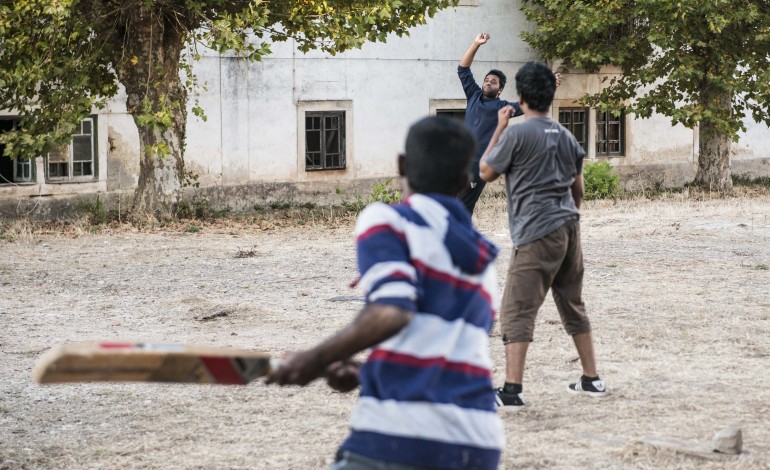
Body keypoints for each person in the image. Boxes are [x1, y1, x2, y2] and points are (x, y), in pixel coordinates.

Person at [267, 116, 505, 469]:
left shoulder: (390, 221)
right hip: (479, 442)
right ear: (464, 180)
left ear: (402, 165)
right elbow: (443, 352)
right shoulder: (483, 260)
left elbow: (392, 311)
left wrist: (312, 360)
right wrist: (369, 372)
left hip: (399, 438)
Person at [479, 61, 606, 408]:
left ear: (520, 97)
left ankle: (511, 391)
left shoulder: (517, 134)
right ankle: (591, 379)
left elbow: (486, 170)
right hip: (568, 229)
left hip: (535, 233)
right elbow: (577, 189)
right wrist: (569, 216)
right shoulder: (566, 135)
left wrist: (499, 126)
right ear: (551, 95)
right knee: (572, 303)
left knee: (516, 310)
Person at [457, 33, 560, 215]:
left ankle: (459, 238)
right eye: (487, 80)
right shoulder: (474, 95)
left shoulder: (503, 107)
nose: (488, 83)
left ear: (500, 89)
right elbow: (463, 69)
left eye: (493, 82)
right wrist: (475, 43)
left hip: (478, 163)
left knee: (464, 206)